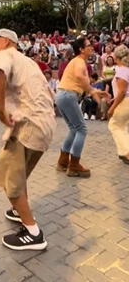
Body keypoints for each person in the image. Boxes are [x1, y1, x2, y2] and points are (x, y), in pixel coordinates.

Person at [0, 29, 55, 251]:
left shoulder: (5, 54)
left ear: (6, 41)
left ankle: (34, 233)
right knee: (19, 174)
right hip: (45, 126)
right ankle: (19, 211)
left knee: (10, 181)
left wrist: (0, 107)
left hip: (27, 127)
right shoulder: (29, 62)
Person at [55, 37, 109, 178]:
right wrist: (92, 91)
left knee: (74, 129)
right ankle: (74, 166)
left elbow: (81, 83)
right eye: (88, 45)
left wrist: (96, 91)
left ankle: (63, 162)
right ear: (81, 49)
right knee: (82, 129)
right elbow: (79, 77)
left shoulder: (77, 61)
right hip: (68, 95)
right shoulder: (79, 61)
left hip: (62, 95)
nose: (92, 47)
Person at [107, 45, 129, 164]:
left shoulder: (122, 71)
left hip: (125, 102)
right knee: (122, 126)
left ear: (116, 57)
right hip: (126, 101)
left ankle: (126, 152)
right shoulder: (126, 69)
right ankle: (123, 152)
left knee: (114, 125)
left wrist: (112, 108)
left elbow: (122, 92)